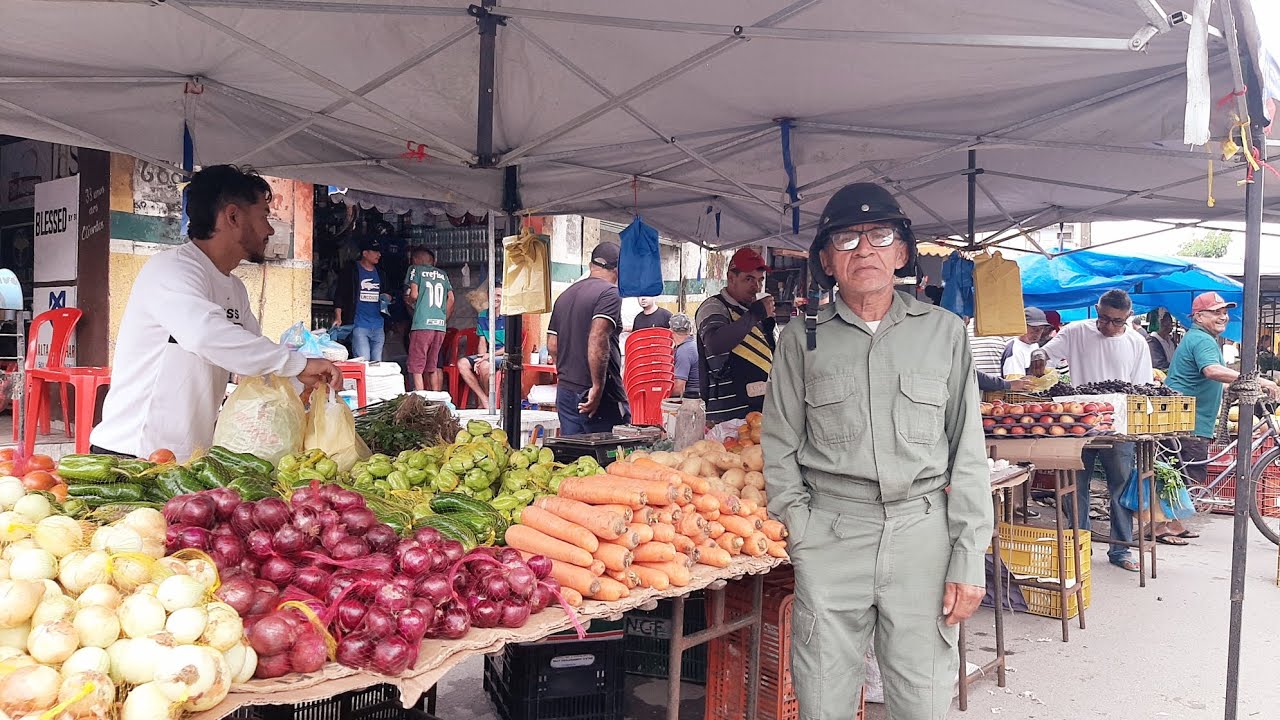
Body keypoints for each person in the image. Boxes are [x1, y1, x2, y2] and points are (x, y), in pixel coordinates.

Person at [762, 182, 991, 720]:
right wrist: (802, 530)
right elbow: (779, 445)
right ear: (825, 259)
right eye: (846, 239)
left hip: (923, 537)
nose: (864, 250)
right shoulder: (801, 338)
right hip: (832, 535)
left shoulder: (944, 333)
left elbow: (969, 452)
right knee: (822, 699)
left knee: (924, 700)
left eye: (880, 236)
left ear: (903, 252)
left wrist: (967, 556)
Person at [90, 165, 340, 460]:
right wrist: (298, 363)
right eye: (264, 217)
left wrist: (302, 381)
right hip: (133, 456)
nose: (271, 230)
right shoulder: (172, 269)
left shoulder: (234, 287)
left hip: (187, 459)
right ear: (233, 216)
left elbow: (250, 364)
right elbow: (205, 335)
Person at [1041, 289, 1153, 572]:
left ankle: (1122, 550)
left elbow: (1141, 387)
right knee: (1075, 487)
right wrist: (1039, 358)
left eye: (1116, 321)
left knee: (1121, 486)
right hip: (1078, 423)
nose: (1108, 325)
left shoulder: (1137, 342)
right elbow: (1046, 353)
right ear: (1096, 310)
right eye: (1103, 318)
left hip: (1120, 426)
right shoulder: (1076, 331)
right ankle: (1079, 546)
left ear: (1128, 317)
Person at [1163, 292, 1280, 542]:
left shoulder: (1200, 338)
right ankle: (1162, 526)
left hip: (1187, 416)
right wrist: (1256, 380)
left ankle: (1173, 524)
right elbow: (1212, 371)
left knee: (1181, 473)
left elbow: (1208, 377)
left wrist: (1236, 387)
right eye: (1216, 312)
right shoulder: (1203, 341)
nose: (1223, 316)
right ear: (1199, 316)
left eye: (1224, 312)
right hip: (1188, 419)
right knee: (1184, 474)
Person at [548, 243, 628, 434]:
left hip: (566, 390)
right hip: (596, 395)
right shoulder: (610, 293)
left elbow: (552, 344)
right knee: (608, 457)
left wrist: (567, 374)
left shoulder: (565, 295)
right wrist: (597, 385)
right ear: (617, 269)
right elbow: (598, 338)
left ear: (592, 265)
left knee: (575, 458)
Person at [695, 247, 776, 426]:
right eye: (748, 279)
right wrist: (755, 315)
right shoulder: (714, 306)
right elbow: (715, 344)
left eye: (760, 280)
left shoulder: (754, 311)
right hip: (725, 417)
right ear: (731, 278)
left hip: (760, 413)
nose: (756, 286)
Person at [405, 247, 454, 392]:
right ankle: (436, 397)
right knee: (432, 365)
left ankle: (419, 398)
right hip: (439, 326)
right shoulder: (442, 274)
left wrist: (409, 300)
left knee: (416, 366)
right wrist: (443, 318)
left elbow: (413, 294)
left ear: (415, 260)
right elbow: (451, 299)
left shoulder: (415, 270)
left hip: (422, 324)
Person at [334, 237, 388, 361]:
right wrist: (338, 317)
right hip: (359, 325)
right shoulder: (352, 271)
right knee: (363, 360)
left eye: (379, 252)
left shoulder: (381, 273)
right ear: (365, 253)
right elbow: (340, 294)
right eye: (375, 251)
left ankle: (373, 382)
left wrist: (387, 297)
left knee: (377, 362)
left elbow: (388, 292)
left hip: (378, 325)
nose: (379, 255)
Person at [458, 286, 505, 410]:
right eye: (492, 295)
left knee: (484, 366)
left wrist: (489, 356)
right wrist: (480, 358)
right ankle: (484, 399)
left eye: (499, 295)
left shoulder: (509, 317)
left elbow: (510, 348)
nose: (495, 298)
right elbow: (482, 341)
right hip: (489, 355)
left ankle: (488, 404)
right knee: (462, 364)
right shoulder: (483, 315)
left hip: (503, 355)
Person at [1000, 307, 1051, 376]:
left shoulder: (1034, 345)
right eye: (1034, 329)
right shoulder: (1015, 350)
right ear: (1022, 327)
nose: (1038, 333)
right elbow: (1015, 383)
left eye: (1041, 329)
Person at [669, 313, 700, 398]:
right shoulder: (693, 345)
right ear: (689, 329)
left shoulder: (683, 351)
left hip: (690, 400)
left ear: (671, 331)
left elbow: (678, 389)